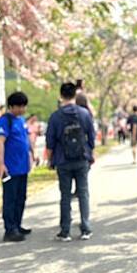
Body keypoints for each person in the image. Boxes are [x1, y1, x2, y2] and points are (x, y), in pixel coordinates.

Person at [46, 82, 96, 242]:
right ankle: (86, 229)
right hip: (82, 158)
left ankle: (65, 231)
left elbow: (50, 142)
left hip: (62, 160)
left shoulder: (55, 116)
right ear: (75, 95)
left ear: (61, 96)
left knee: (65, 196)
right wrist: (90, 152)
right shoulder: (84, 113)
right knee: (83, 193)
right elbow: (92, 136)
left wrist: (50, 160)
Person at [0, 92, 32, 242]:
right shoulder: (5, 121)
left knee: (21, 198)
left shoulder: (21, 120)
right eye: (19, 106)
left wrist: (32, 154)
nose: (22, 109)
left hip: (23, 167)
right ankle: (10, 229)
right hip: (10, 168)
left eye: (24, 106)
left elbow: (26, 139)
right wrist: (0, 164)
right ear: (11, 106)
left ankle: (17, 224)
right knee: (10, 199)